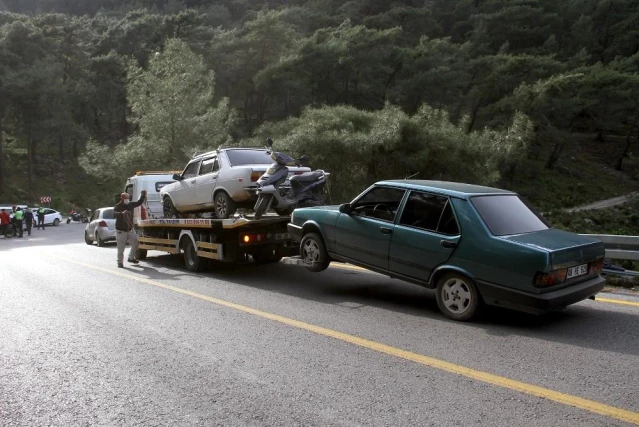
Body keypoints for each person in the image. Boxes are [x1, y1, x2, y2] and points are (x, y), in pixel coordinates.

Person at [114, 190, 147, 268]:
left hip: (130, 229)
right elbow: (114, 214)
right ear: (122, 199)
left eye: (128, 198)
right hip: (120, 231)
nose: (127, 199)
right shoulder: (118, 206)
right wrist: (121, 213)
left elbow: (139, 203)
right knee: (121, 248)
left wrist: (143, 195)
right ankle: (120, 262)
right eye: (126, 198)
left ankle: (131, 258)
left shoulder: (130, 204)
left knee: (135, 243)